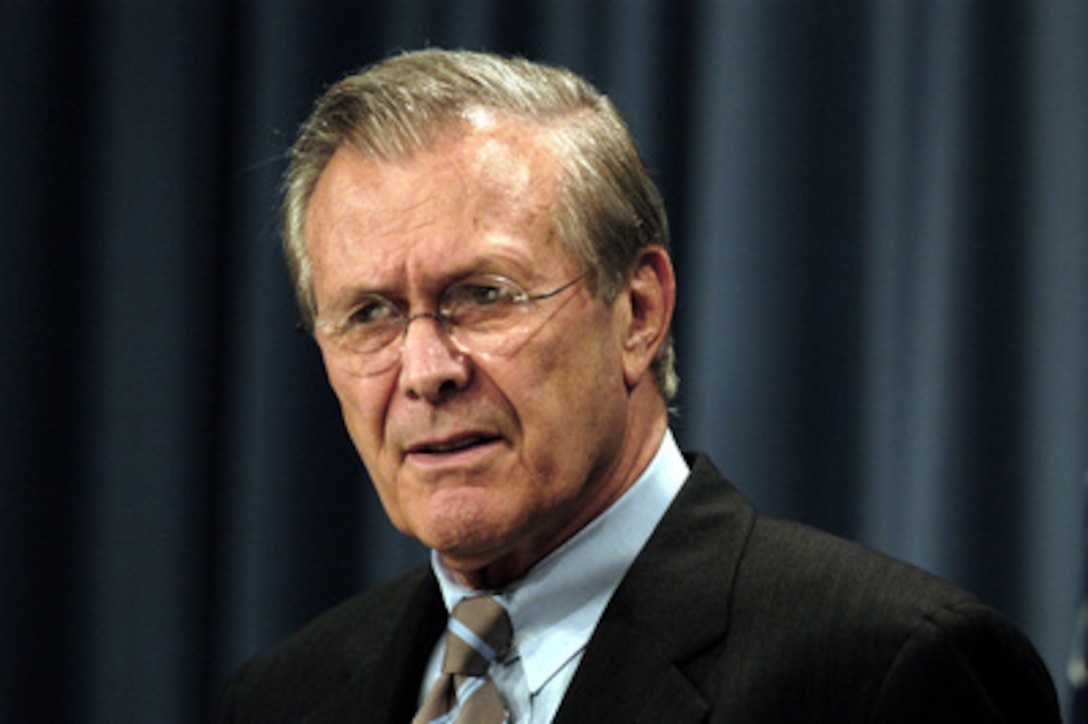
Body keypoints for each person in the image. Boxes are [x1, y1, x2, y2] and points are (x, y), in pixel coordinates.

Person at [218, 48, 1060, 722]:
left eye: (483, 296)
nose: (427, 370)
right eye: (369, 314)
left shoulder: (885, 672)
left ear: (638, 312)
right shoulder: (284, 698)